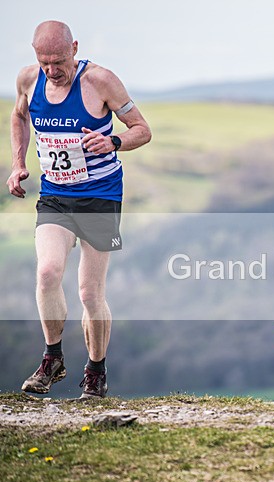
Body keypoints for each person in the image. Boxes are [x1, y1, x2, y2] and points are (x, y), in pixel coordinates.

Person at [7, 21, 152, 399]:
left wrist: (114, 141)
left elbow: (142, 129)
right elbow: (19, 116)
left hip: (100, 196)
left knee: (89, 293)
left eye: (58, 61)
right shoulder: (28, 80)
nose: (51, 70)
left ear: (74, 48)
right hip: (55, 194)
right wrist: (18, 163)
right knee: (47, 272)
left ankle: (95, 371)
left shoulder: (101, 81)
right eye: (44, 62)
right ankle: (52, 359)